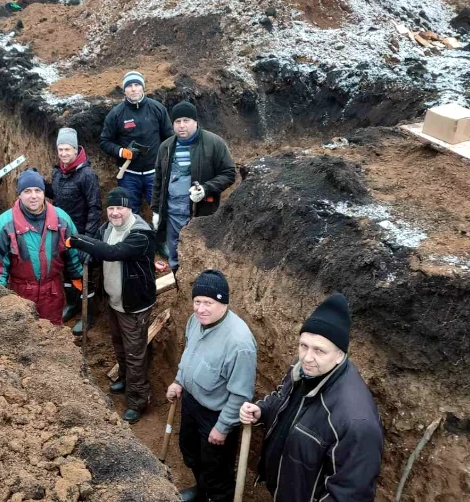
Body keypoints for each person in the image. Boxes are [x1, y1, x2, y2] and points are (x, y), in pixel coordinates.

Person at [239, 293, 383, 502]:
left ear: (340, 355)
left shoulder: (356, 421)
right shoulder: (303, 372)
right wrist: (261, 410)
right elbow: (282, 398)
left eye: (319, 350)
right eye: (303, 346)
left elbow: (348, 495)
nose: (307, 357)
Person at [165, 270, 257, 502]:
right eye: (197, 301)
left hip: (216, 414)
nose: (200, 309)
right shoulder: (195, 322)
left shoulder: (239, 343)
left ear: (223, 303)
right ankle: (202, 491)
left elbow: (241, 394)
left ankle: (216, 496)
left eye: (208, 302)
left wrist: (223, 427)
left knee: (217, 470)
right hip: (192, 403)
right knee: (191, 453)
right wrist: (178, 381)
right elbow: (189, 355)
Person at [67, 187, 156, 423]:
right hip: (113, 300)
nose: (115, 213)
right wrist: (90, 253)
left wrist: (79, 243)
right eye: (111, 208)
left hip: (134, 305)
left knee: (135, 354)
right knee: (119, 346)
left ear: (130, 208)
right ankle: (126, 381)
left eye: (120, 208)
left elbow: (114, 252)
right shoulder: (107, 228)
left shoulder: (141, 234)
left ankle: (139, 400)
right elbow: (99, 243)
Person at [0, 170, 83, 325]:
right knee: (24, 334)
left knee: (53, 333)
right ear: (19, 194)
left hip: (52, 291)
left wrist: (77, 276)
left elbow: (72, 253)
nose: (33, 196)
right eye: (27, 191)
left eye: (38, 190)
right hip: (20, 293)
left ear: (44, 192)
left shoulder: (61, 219)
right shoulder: (4, 224)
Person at [152, 101, 236, 271]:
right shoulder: (166, 147)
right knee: (175, 257)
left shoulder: (214, 143)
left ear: (195, 121)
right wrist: (155, 210)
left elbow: (229, 173)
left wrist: (206, 189)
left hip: (201, 213)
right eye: (177, 122)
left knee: (201, 257)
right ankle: (180, 290)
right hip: (172, 214)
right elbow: (159, 180)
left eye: (186, 120)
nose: (182, 126)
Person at [100, 71, 173, 215]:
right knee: (129, 214)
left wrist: (165, 163)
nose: (133, 89)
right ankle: (135, 237)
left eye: (137, 85)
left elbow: (169, 138)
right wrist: (122, 152)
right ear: (124, 90)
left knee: (160, 211)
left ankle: (161, 237)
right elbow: (104, 141)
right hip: (128, 175)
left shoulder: (157, 109)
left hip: (155, 173)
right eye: (129, 86)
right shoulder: (116, 114)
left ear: (143, 87)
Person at [52, 127, 102, 334]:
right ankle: (72, 304)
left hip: (81, 233)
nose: (63, 154)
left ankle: (89, 314)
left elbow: (95, 207)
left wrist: (87, 241)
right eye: (60, 149)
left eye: (67, 149)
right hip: (62, 233)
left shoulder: (87, 175)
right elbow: (56, 195)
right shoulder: (58, 173)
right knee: (67, 274)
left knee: (83, 277)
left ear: (76, 149)